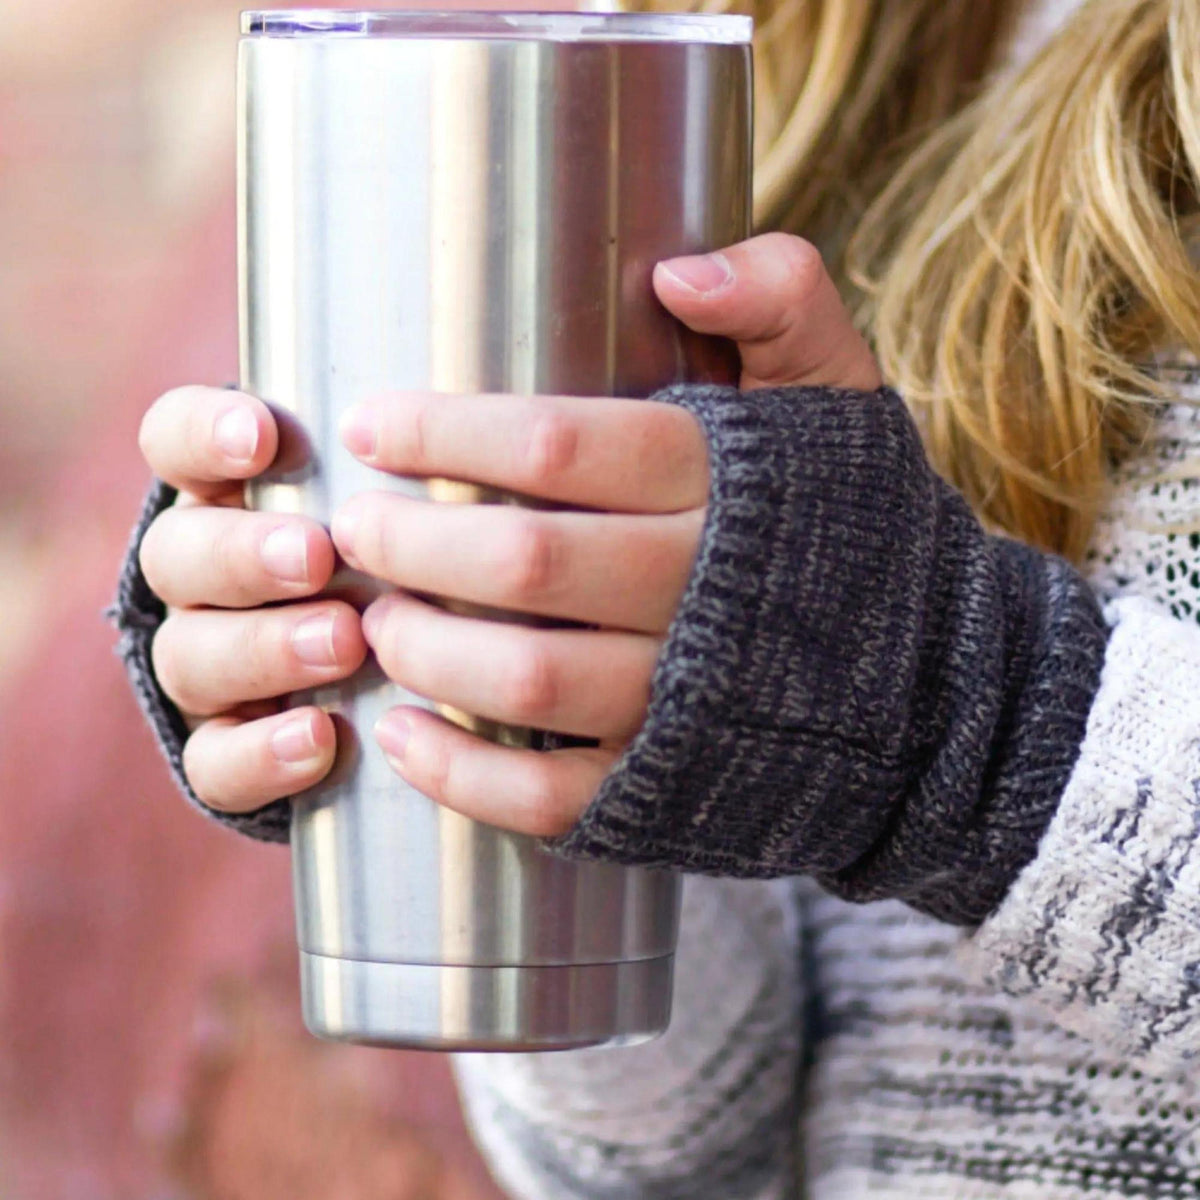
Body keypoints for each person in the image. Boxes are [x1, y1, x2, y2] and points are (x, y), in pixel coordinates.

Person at [111, 0, 1200, 1194]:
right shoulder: (788, 58)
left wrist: (959, 706)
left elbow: (937, 706)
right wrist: (482, 738)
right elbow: (687, 1159)